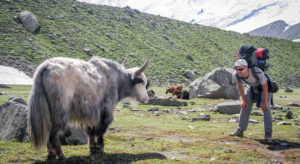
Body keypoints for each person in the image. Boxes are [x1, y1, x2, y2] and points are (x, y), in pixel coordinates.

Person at [229, 59, 273, 142]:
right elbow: (240, 86)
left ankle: (268, 135)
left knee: (266, 108)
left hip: (263, 88)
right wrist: (244, 100)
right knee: (245, 106)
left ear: (247, 68)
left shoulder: (257, 72)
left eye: (241, 69)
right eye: (237, 69)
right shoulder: (236, 75)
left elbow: (265, 86)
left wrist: (264, 102)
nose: (239, 71)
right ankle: (240, 130)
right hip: (251, 87)